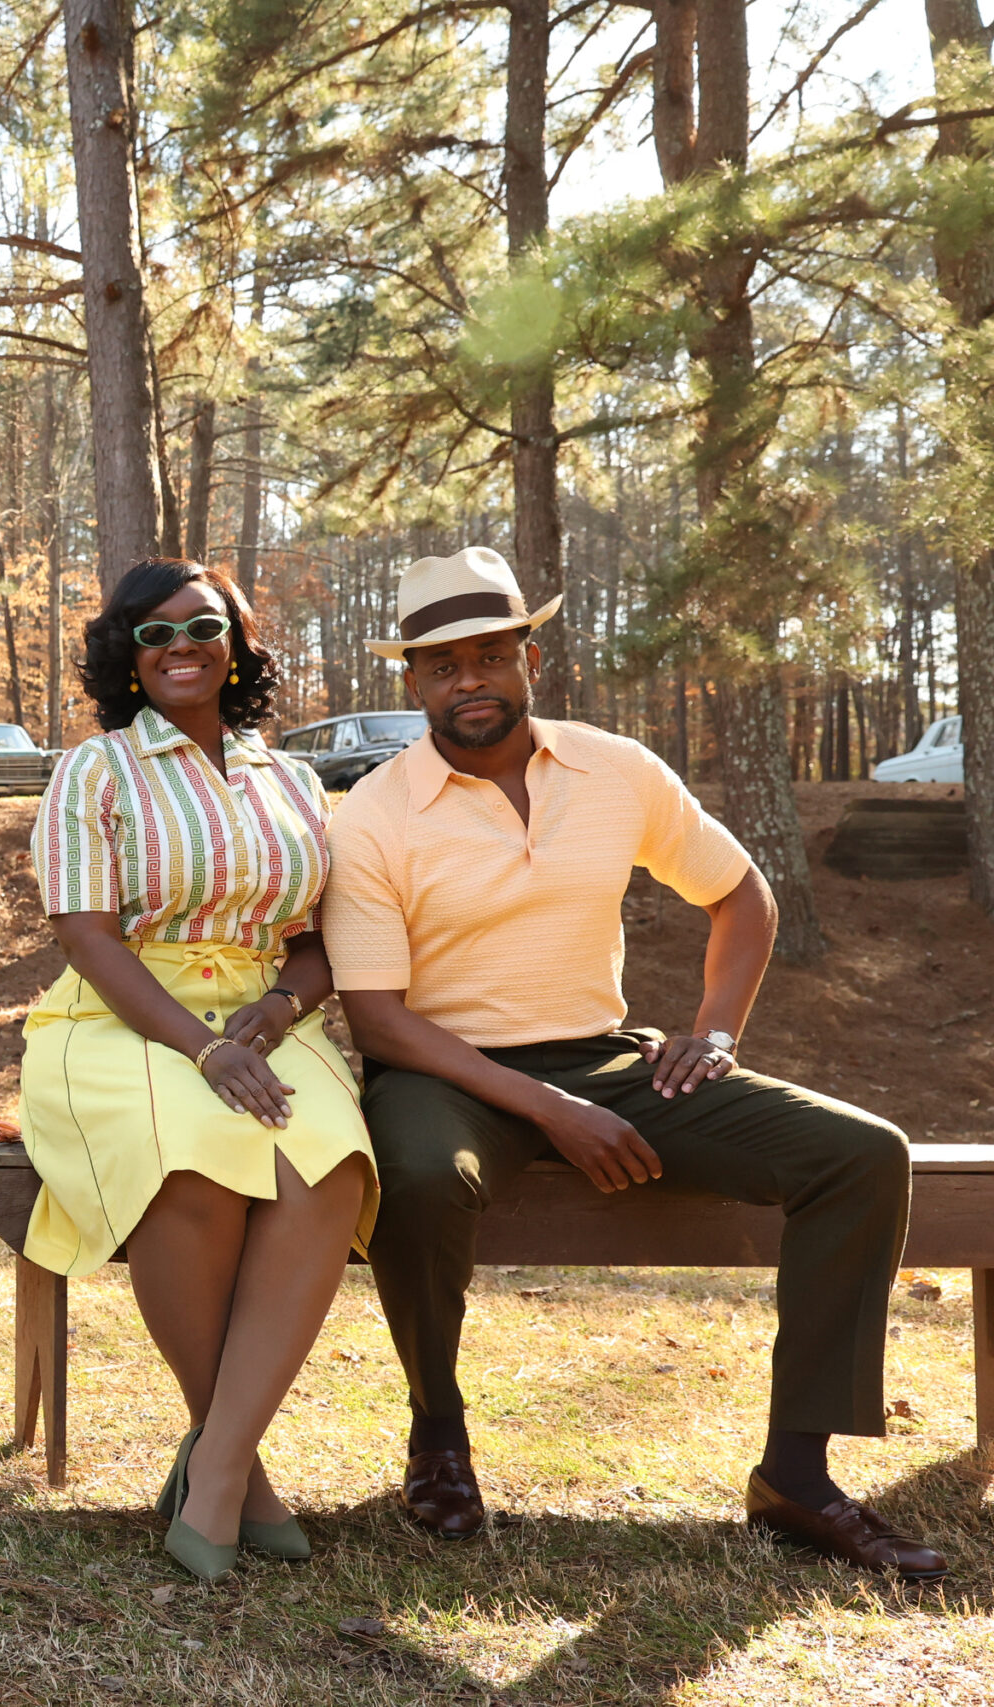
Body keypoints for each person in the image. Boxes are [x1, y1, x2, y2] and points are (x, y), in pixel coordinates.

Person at [323, 546, 943, 1581]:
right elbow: (380, 1023)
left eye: (487, 656)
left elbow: (741, 895)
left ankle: (795, 1474)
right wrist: (548, 1110)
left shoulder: (614, 769)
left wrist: (713, 1031)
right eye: (440, 667)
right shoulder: (373, 814)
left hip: (607, 1059)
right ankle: (437, 1436)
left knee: (862, 1154)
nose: (466, 681)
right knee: (422, 1177)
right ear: (411, 683)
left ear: (529, 657)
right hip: (440, 1071)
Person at [20, 557, 375, 1583]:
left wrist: (273, 1011)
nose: (181, 646)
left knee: (331, 1165)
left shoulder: (295, 781)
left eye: (203, 627)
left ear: (237, 644)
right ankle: (237, 1476)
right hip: (122, 1015)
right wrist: (202, 1046)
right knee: (188, 1160)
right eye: (154, 633)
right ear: (126, 657)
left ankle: (212, 1459)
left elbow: (317, 944)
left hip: (265, 1016)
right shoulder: (97, 770)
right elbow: (86, 939)